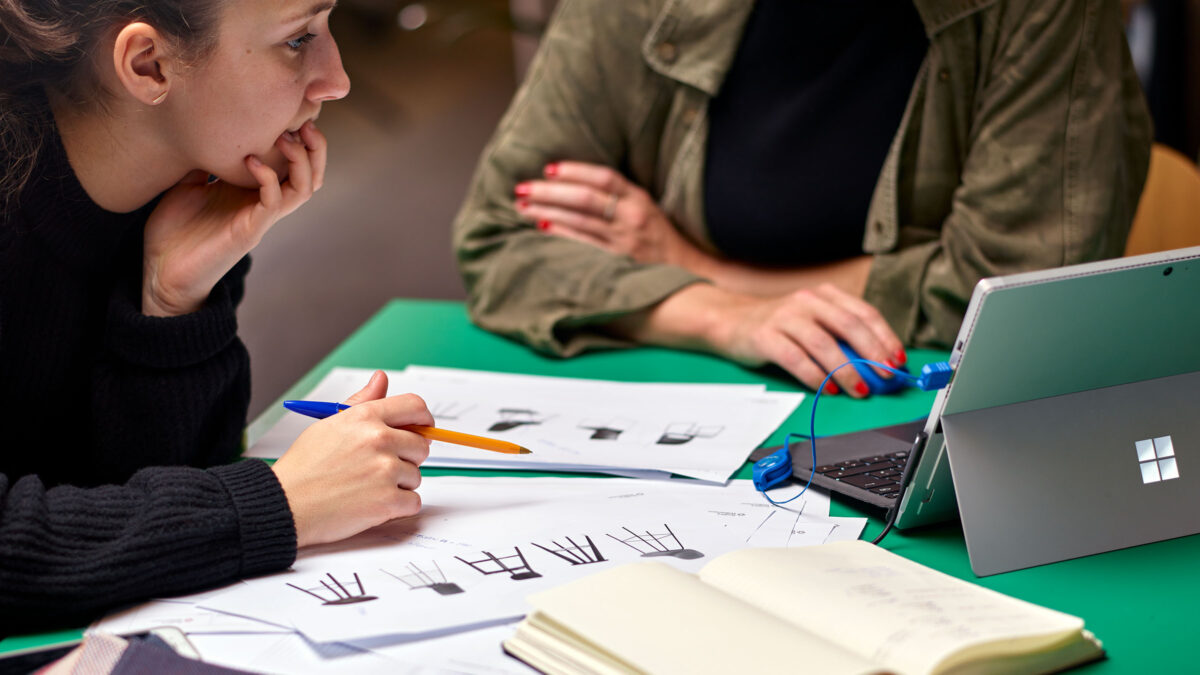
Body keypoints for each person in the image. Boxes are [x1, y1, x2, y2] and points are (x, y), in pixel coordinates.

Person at [453, 0, 1153, 398]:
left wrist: (702, 270)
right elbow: (500, 236)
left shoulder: (1041, 11)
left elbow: (1018, 299)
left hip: (927, 404)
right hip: (698, 412)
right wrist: (724, 316)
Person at [0, 0, 433, 634]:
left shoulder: (189, 192)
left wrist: (173, 302)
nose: (337, 79)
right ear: (149, 65)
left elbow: (149, 495)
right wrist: (280, 505)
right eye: (298, 39)